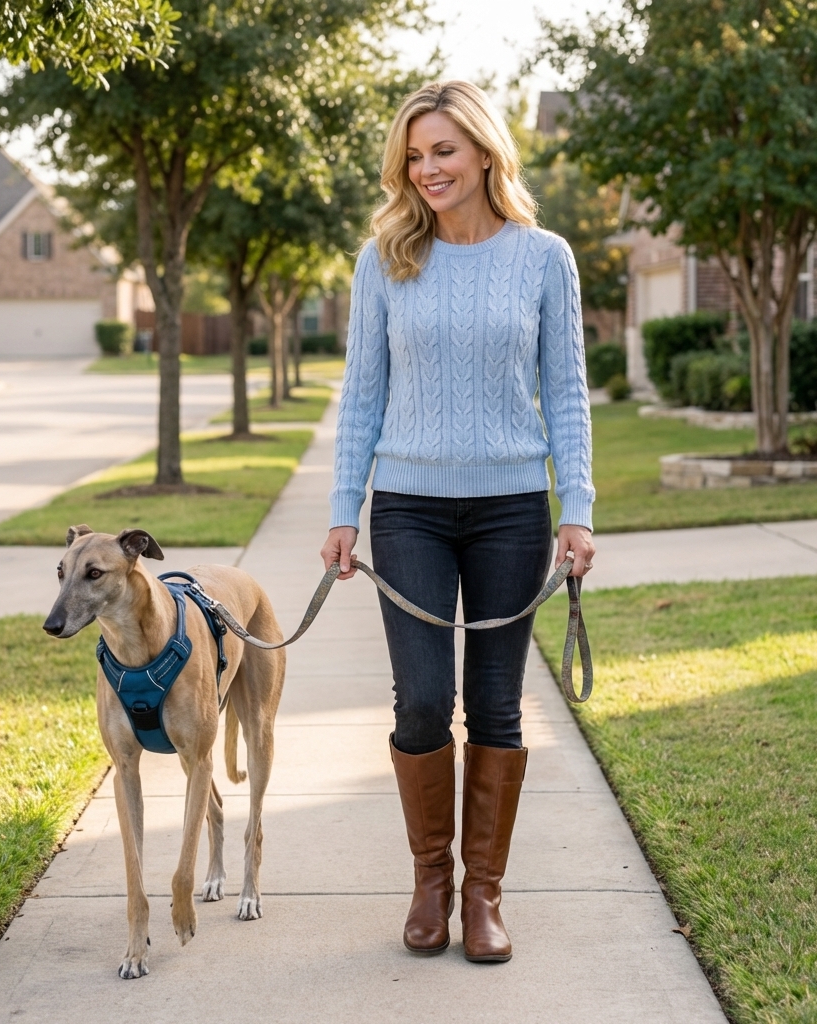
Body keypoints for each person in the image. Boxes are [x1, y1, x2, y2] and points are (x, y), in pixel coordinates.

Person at [321, 80, 596, 963]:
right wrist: (343, 511)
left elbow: (567, 394)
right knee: (425, 701)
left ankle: (484, 895)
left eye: (442, 149)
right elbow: (363, 395)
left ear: (483, 151)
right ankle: (430, 880)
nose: (427, 167)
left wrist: (578, 509)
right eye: (414, 153)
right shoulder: (386, 258)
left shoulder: (544, 256)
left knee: (496, 705)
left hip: (513, 508)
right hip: (408, 510)